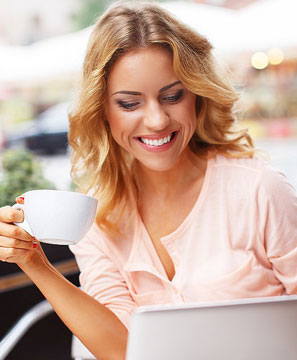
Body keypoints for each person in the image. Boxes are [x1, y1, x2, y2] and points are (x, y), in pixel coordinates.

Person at [0, 1, 297, 359]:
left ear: (197, 97)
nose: (156, 120)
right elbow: (121, 351)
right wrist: (34, 263)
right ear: (104, 112)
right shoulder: (99, 216)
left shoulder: (259, 190)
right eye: (129, 103)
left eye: (172, 96)